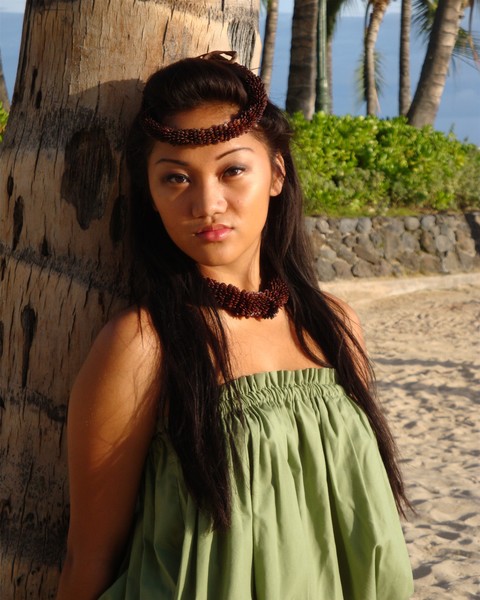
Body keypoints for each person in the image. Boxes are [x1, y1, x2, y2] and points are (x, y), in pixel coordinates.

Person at [56, 51, 414, 600]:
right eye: (175, 177)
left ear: (276, 173)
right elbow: (90, 555)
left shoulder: (334, 325)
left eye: (232, 170)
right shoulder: (143, 344)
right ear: (150, 197)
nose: (207, 203)